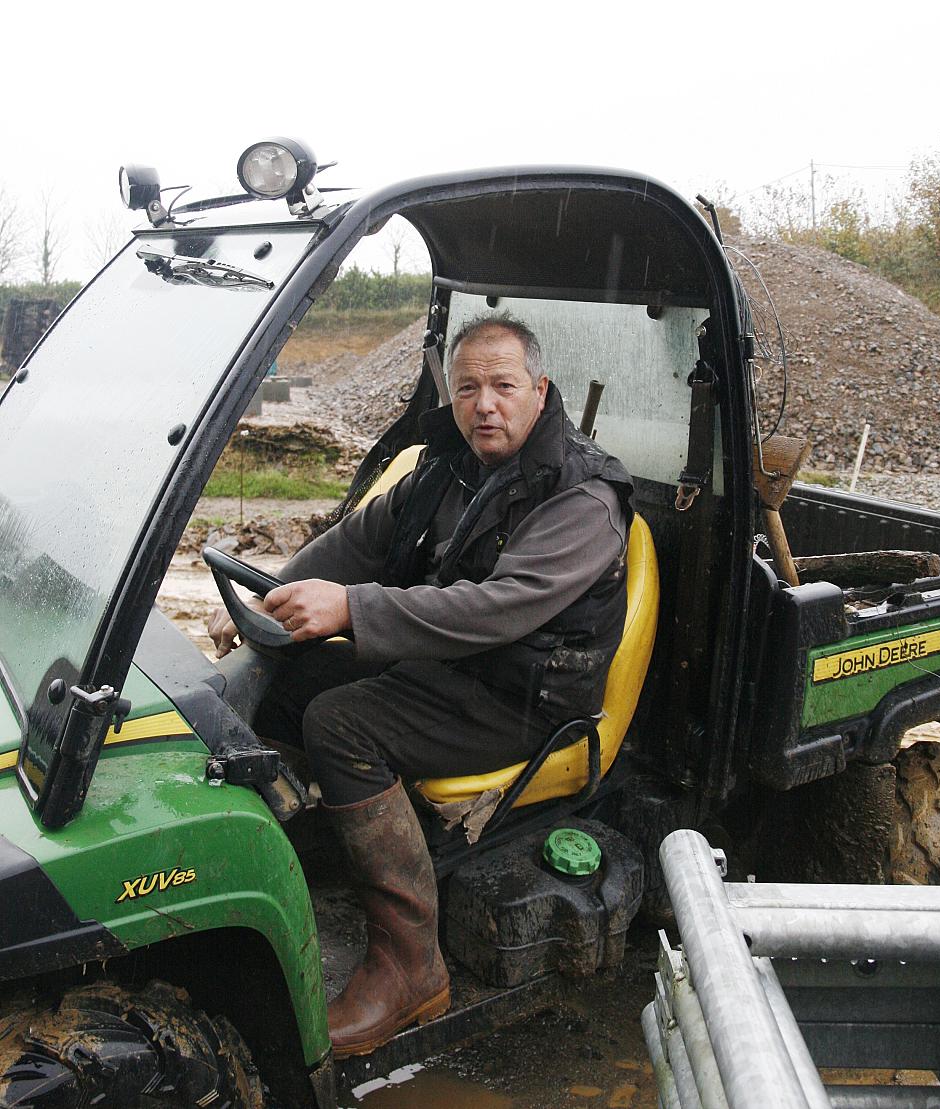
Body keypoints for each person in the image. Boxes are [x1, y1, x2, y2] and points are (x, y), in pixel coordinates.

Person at [208, 316, 634, 1057]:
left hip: (526, 694)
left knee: (341, 723)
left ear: (539, 390)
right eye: (467, 387)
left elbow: (498, 609)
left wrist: (349, 607)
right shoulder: (450, 462)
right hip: (452, 667)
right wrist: (271, 599)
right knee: (284, 676)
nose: (484, 405)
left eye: (503, 386)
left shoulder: (583, 496)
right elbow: (358, 541)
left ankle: (410, 965)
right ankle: (309, 851)